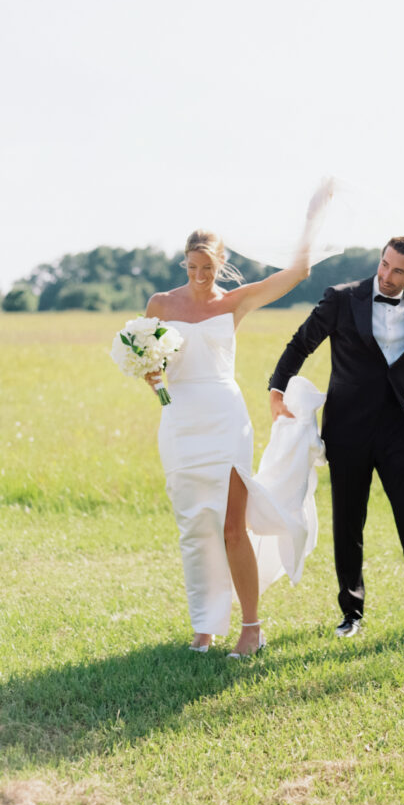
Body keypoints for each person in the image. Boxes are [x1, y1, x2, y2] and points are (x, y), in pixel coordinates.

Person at [269, 235, 404, 648]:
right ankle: (351, 613)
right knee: (348, 524)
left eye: (398, 270)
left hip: (400, 432)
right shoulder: (342, 299)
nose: (386, 275)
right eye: (384, 264)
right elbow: (302, 342)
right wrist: (277, 389)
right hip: (347, 431)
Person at [145, 222, 317, 658]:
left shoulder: (235, 301)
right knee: (193, 527)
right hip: (179, 420)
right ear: (183, 263)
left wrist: (315, 214)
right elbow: (152, 366)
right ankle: (204, 625)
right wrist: (153, 381)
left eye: (207, 267)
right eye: (191, 267)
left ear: (221, 265)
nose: (199, 276)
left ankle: (251, 626)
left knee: (230, 527)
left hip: (225, 418)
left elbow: (297, 272)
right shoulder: (160, 304)